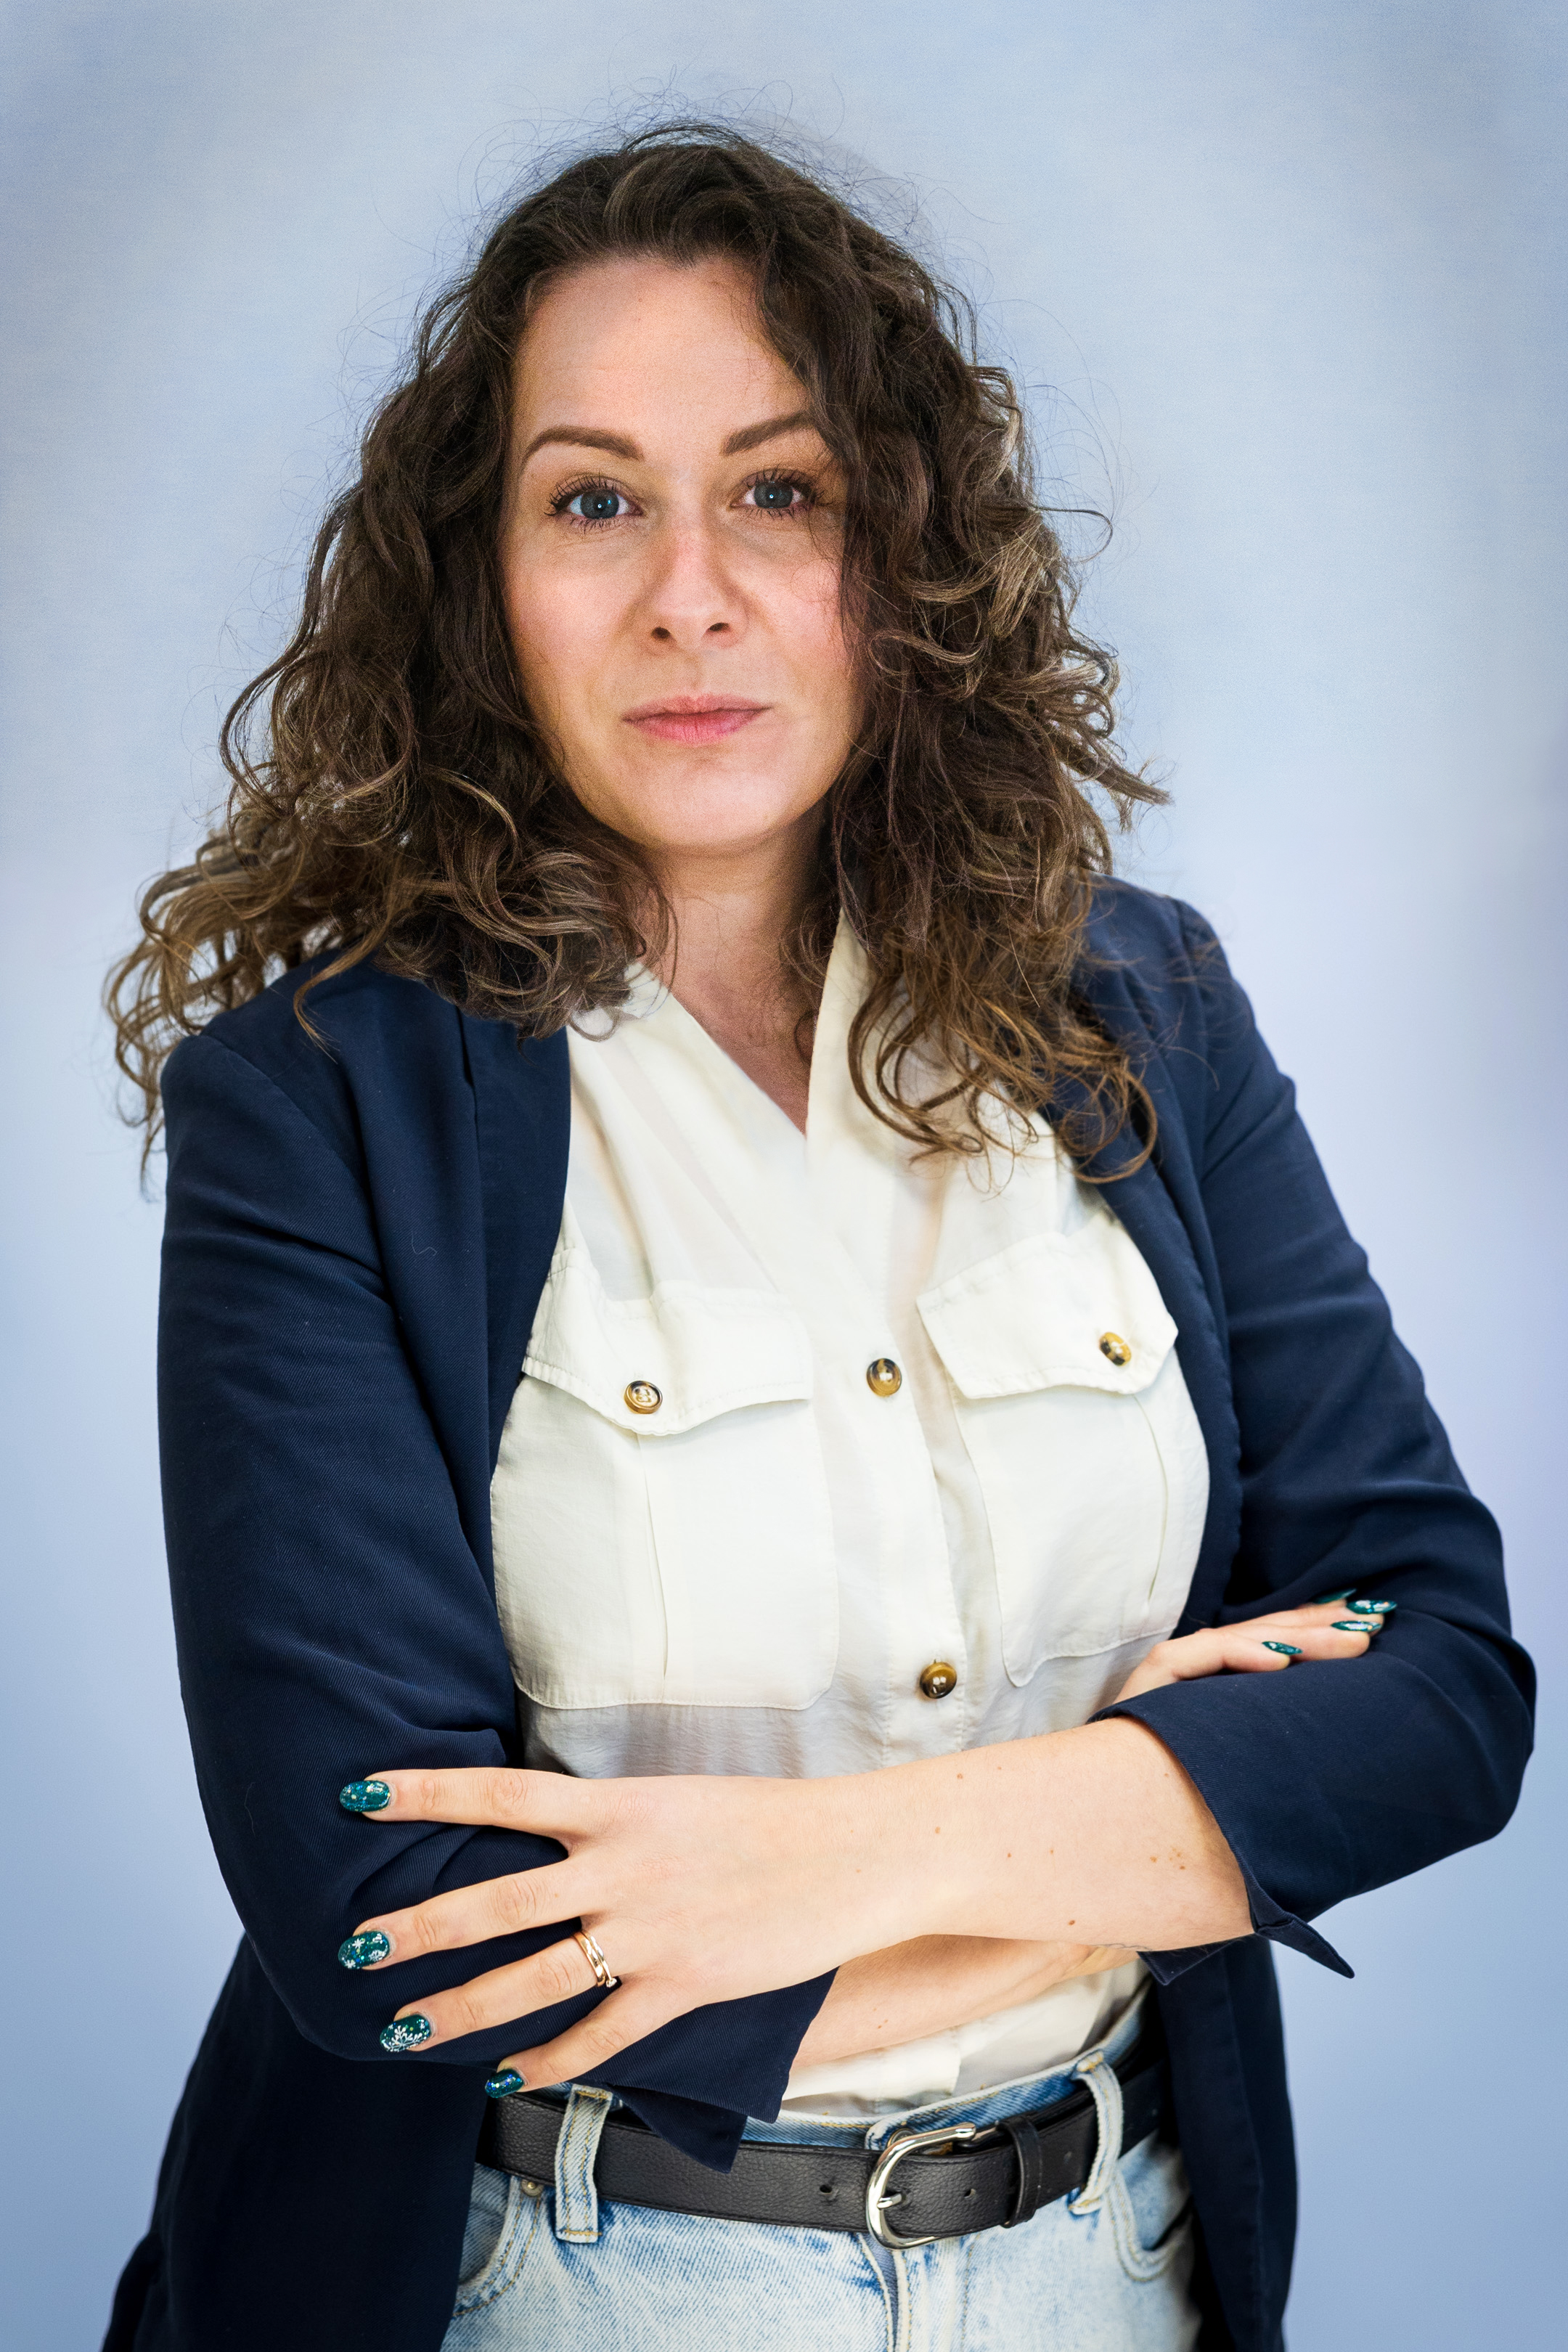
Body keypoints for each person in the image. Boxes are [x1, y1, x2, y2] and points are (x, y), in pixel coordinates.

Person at [101, 129, 1532, 2352]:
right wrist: (1141, 1839)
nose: (691, 593)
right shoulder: (315, 1105)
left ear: (902, 556)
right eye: (595, 503)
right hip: (567, 2283)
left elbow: (1438, 1685)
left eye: (779, 491)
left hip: (1122, 2270)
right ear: (482, 584)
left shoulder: (1141, 1011)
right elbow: (388, 1920)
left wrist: (797, 1868)